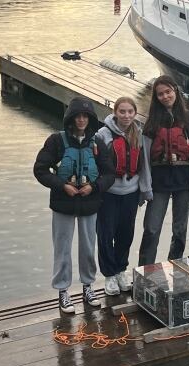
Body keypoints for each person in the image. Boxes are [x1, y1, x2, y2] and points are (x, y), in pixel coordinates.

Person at [34, 97, 115, 314]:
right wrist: (62, 186)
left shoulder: (97, 143)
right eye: (77, 116)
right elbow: (40, 170)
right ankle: (63, 291)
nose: (81, 120)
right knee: (62, 249)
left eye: (85, 117)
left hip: (90, 204)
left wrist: (94, 187)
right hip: (63, 204)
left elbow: (109, 174)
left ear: (90, 119)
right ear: (70, 118)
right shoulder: (55, 141)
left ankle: (88, 287)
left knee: (88, 247)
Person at [138, 75, 189, 266]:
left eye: (168, 91)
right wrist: (146, 186)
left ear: (175, 91)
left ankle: (175, 266)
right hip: (159, 182)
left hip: (183, 182)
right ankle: (145, 270)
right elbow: (144, 156)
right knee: (151, 228)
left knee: (179, 229)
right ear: (156, 97)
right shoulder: (152, 121)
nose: (165, 96)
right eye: (160, 94)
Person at [95, 97, 150, 295]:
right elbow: (96, 165)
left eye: (130, 112)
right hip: (109, 193)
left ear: (135, 113)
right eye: (122, 112)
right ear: (115, 112)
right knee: (106, 233)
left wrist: (145, 190)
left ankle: (120, 270)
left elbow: (144, 164)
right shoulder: (103, 134)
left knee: (125, 234)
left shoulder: (138, 133)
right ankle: (109, 274)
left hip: (131, 192)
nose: (126, 116)